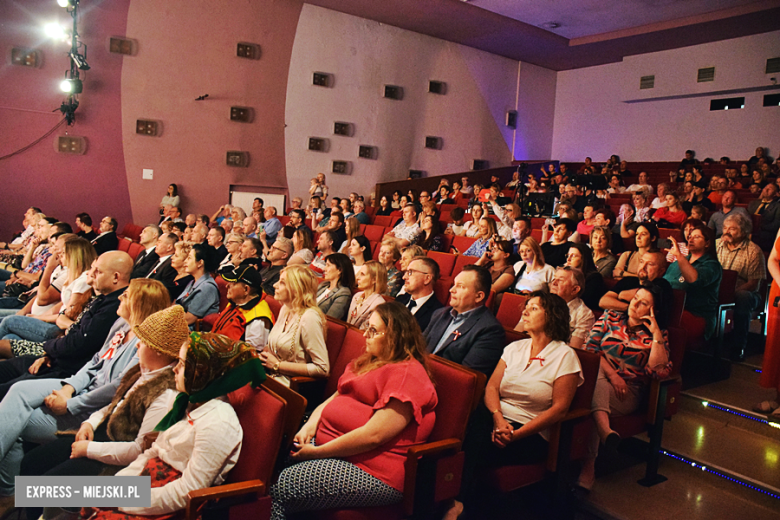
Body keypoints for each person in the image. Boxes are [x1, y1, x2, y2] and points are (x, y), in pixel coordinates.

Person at [0, 279, 173, 501]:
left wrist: (74, 408)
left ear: (141, 304)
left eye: (127, 295)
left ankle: (11, 493)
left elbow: (117, 394)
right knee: (16, 392)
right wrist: (69, 388)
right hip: (83, 389)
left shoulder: (159, 379)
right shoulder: (122, 324)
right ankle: (11, 493)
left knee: (14, 424)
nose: (120, 297)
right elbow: (96, 361)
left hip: (96, 410)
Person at [271, 302, 436, 518]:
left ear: (395, 336)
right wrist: (311, 425)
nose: (366, 334)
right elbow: (338, 393)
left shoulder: (407, 376)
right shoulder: (371, 360)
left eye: (374, 330)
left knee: (283, 487)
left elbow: (374, 436)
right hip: (334, 448)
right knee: (272, 459)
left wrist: (318, 452)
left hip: (372, 469)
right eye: (367, 327)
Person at [77, 331, 265, 519]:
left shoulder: (218, 422)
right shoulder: (188, 401)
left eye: (183, 364)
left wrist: (123, 500)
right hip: (151, 482)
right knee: (69, 494)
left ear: (201, 373)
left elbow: (188, 492)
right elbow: (153, 452)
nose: (174, 369)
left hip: (172, 502)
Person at [447, 291, 583, 519]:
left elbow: (560, 408)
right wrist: (499, 419)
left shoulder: (564, 355)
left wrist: (516, 434)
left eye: (534, 308)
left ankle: (455, 502)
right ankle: (457, 503)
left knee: (470, 441)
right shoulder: (515, 348)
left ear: (552, 316)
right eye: (526, 306)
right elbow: (491, 388)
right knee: (475, 422)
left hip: (531, 432)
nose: (525, 311)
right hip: (495, 420)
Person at [578, 281, 672, 490]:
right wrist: (612, 374)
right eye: (636, 297)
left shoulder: (659, 335)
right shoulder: (610, 317)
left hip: (627, 393)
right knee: (597, 384)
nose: (635, 303)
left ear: (654, 310)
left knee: (593, 392)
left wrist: (656, 334)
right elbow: (589, 349)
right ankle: (604, 431)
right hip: (601, 380)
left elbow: (658, 372)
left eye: (643, 302)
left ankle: (589, 464)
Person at [0, 238, 96, 350]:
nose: (59, 255)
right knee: (9, 338)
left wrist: (40, 318)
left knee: (9, 321)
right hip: (49, 320)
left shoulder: (83, 280)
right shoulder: (73, 276)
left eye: (63, 253)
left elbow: (67, 314)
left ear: (74, 256)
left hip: (57, 329)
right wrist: (38, 317)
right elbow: (61, 305)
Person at [423, 265, 505, 376]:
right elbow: (419, 347)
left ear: (479, 296)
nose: (451, 290)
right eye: (454, 285)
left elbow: (465, 377)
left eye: (460, 286)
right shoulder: (440, 314)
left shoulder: (491, 330)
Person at [261, 265, 328, 387]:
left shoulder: (309, 317)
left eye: (282, 283)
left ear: (296, 289)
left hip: (289, 385)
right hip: (271, 375)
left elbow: (322, 368)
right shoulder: (286, 309)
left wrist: (277, 365)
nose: (275, 285)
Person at [716, 213, 766, 359]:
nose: (726, 231)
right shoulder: (716, 244)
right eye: (725, 227)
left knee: (742, 297)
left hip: (746, 292)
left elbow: (754, 283)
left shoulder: (753, 251)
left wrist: (732, 292)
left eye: (732, 229)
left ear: (744, 232)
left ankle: (739, 346)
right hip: (719, 287)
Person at [663, 224, 722, 341]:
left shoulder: (712, 265)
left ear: (707, 243)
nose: (691, 239)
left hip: (696, 314)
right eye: (690, 236)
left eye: (697, 237)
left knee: (659, 319)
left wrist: (679, 256)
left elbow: (694, 280)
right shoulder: (676, 264)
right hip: (671, 309)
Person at [213, 265, 275, 349]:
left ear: (246, 289)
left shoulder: (258, 318)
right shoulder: (236, 302)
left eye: (233, 283)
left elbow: (252, 354)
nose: (227, 286)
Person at [600, 251, 670, 312]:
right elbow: (603, 302)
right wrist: (630, 308)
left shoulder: (663, 285)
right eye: (642, 262)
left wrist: (620, 295)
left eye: (650, 264)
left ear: (661, 271)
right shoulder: (628, 280)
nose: (643, 267)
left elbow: (644, 299)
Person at [174, 243, 220, 328]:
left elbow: (189, 319)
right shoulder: (192, 282)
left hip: (191, 331)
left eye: (189, 258)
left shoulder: (207, 287)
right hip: (179, 323)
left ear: (200, 263)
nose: (185, 261)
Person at [395, 257, 443, 331]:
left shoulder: (437, 313)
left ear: (427, 278)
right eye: (406, 272)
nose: (404, 277)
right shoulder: (399, 300)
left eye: (410, 272)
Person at [565, 243, 606, 311]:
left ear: (583, 258)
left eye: (573, 256)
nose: (568, 259)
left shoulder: (594, 278)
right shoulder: (567, 274)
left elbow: (583, 301)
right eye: (568, 255)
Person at [348, 261, 388, 330]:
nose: (358, 278)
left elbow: (364, 331)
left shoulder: (379, 304)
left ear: (374, 280)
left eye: (362, 274)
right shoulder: (357, 296)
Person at [316, 253, 354, 321]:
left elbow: (330, 320)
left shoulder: (343, 293)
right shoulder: (323, 285)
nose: (324, 269)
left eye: (328, 265)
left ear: (340, 270)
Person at [747, 183, 780, 251]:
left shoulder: (777, 206)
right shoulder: (753, 203)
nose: (766, 190)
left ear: (775, 194)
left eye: (770, 189)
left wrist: (758, 226)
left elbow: (776, 225)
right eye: (765, 188)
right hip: (749, 232)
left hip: (765, 235)